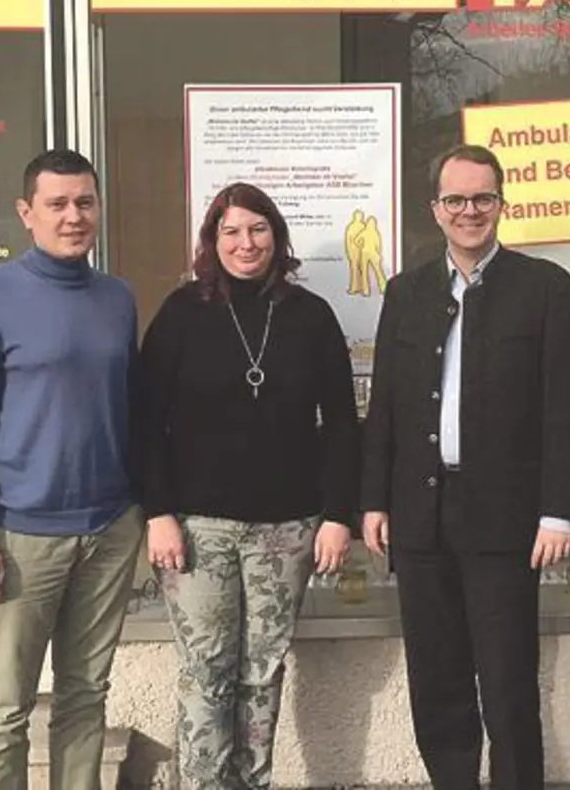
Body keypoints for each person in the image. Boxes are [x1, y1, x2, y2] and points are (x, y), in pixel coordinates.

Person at [360, 144, 570, 790]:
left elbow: (563, 410)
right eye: (456, 199)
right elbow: (387, 408)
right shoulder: (407, 291)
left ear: (501, 204)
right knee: (438, 682)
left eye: (482, 198)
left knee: (508, 683)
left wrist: (559, 510)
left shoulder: (545, 288)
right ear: (435, 209)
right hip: (421, 518)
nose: (470, 211)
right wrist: (375, 500)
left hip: (506, 521)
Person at [137, 181, 360, 790]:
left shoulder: (310, 317)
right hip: (195, 529)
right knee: (206, 672)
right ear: (212, 240)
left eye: (257, 229)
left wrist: (338, 514)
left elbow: (342, 423)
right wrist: (156, 512)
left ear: (276, 236)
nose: (245, 243)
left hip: (286, 530)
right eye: (231, 231)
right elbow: (144, 420)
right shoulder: (183, 313)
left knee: (262, 674)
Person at [0, 149, 144, 790]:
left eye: (85, 201)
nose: (73, 215)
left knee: (86, 698)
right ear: (27, 213)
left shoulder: (117, 298)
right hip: (19, 535)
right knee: (5, 709)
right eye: (57, 204)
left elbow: (126, 409)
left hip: (108, 529)